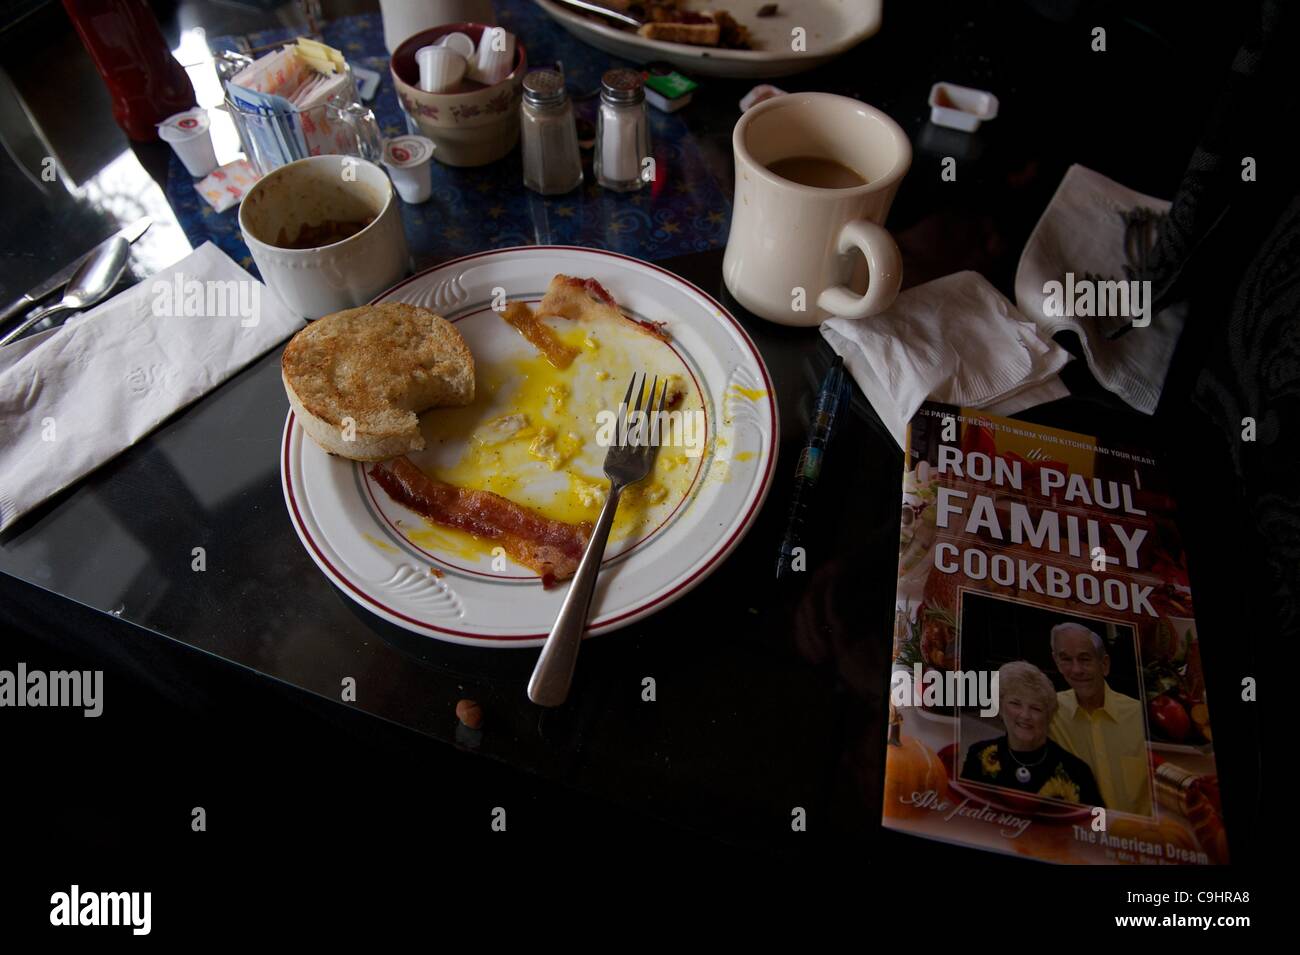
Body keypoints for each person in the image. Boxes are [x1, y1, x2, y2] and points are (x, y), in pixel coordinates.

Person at [961, 660, 1104, 807]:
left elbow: (1098, 825)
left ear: (1048, 717)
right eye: (1015, 704)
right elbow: (962, 815)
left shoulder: (1077, 772)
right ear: (1000, 708)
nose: (1025, 715)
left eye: (1036, 708)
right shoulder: (978, 756)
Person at [1047, 622, 1153, 815]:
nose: (1076, 670)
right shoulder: (1049, 711)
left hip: (1135, 837)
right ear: (1056, 662)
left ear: (1104, 664)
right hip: (1079, 835)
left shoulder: (1141, 716)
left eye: (1085, 659)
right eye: (1066, 660)